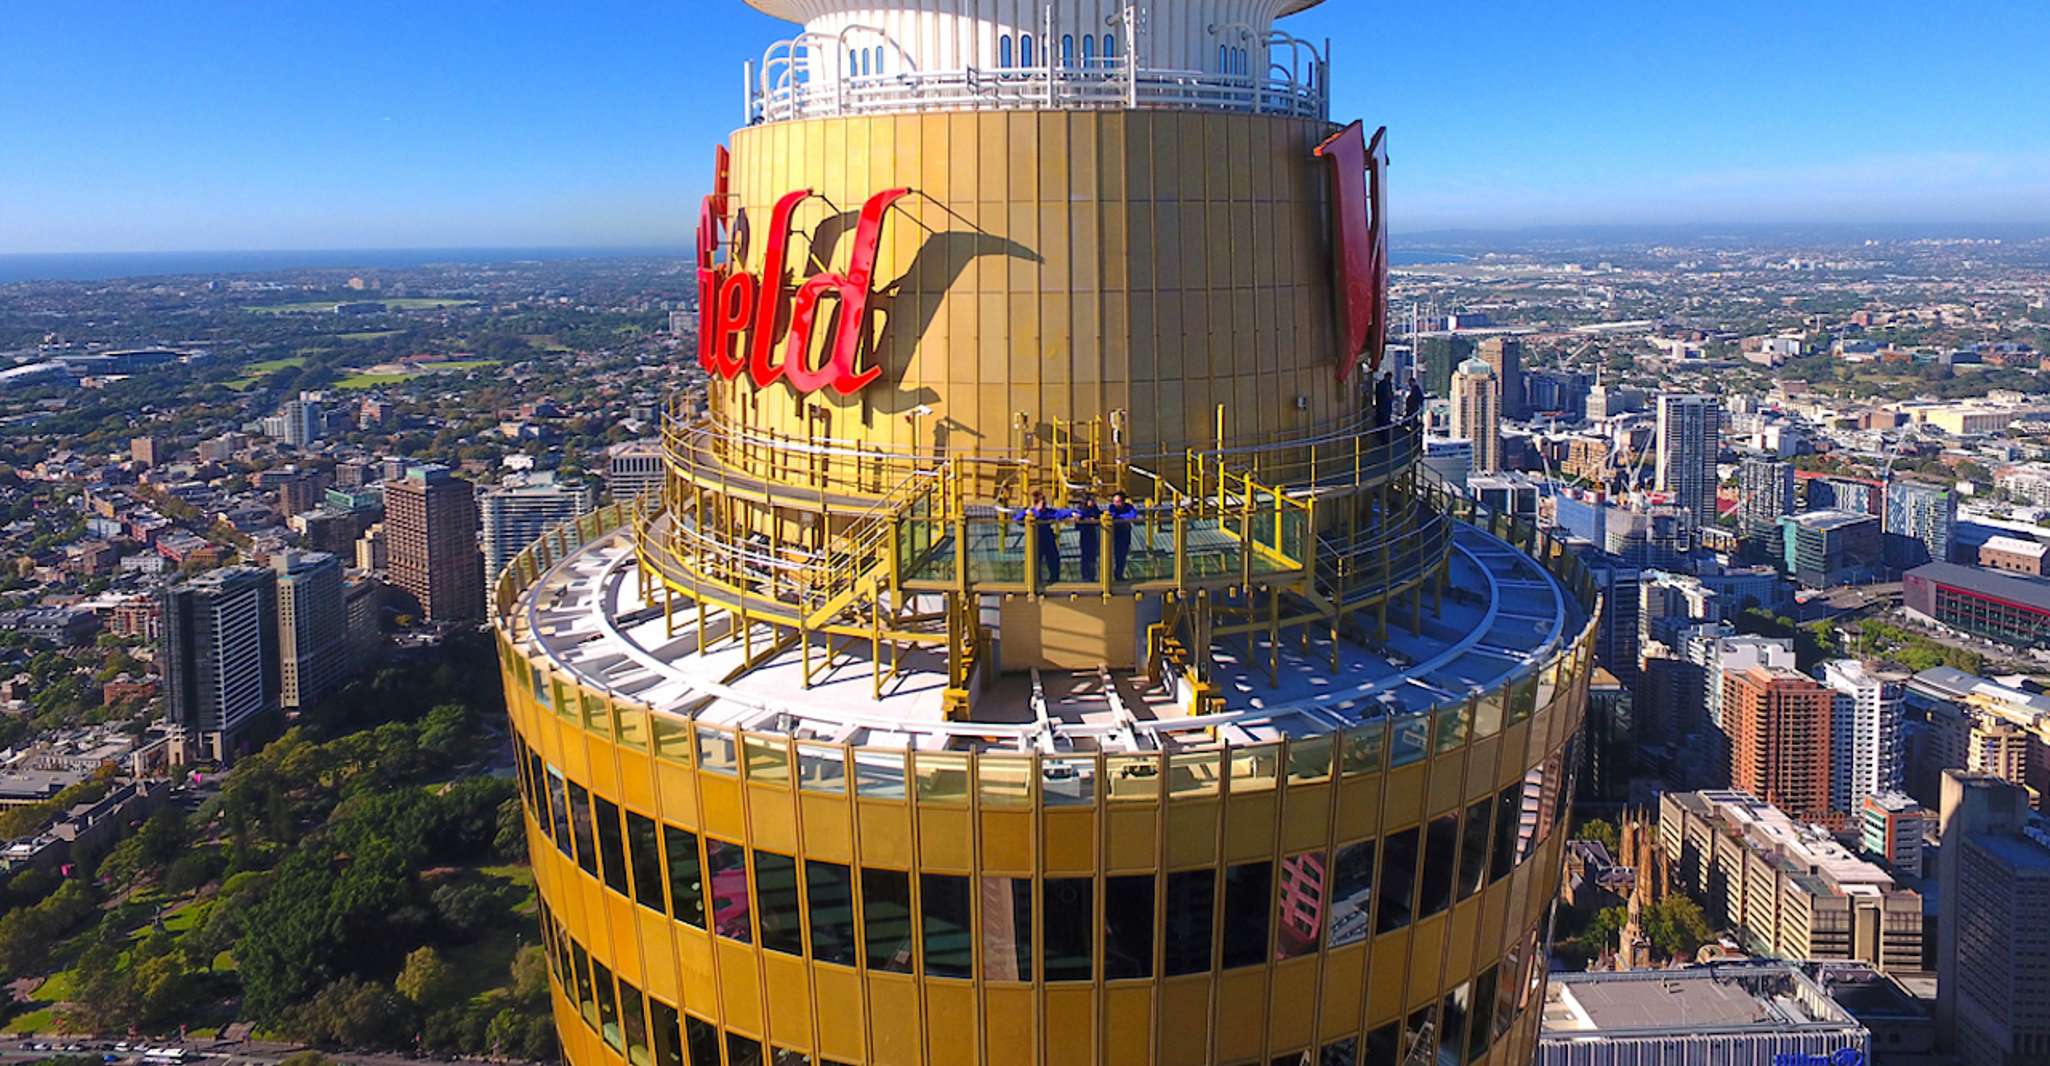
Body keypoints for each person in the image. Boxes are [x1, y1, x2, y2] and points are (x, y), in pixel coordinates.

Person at [1014, 491, 1069, 585]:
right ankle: (1036, 580)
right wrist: (1028, 512)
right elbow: (1017, 519)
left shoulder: (1047, 512)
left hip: (1047, 539)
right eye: (1042, 503)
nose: (1044, 506)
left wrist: (1073, 513)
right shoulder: (1030, 512)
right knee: (1035, 560)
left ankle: (1054, 579)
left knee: (1053, 558)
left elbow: (1059, 513)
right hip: (1035, 540)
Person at [1107, 491, 1140, 581]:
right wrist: (1124, 518)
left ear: (1123, 501)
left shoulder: (1129, 507)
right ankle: (1108, 576)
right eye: (1114, 501)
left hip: (1125, 533)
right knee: (1111, 555)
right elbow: (1113, 516)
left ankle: (1119, 575)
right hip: (1114, 533)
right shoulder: (1112, 507)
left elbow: (1132, 515)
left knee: (1122, 555)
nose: (1116, 504)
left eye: (1118, 502)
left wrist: (1121, 517)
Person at [1073, 492, 1103, 582]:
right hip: (1085, 534)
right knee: (1086, 555)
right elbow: (1078, 519)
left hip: (1093, 533)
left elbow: (1099, 515)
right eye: (1092, 500)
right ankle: (1085, 576)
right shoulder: (1081, 509)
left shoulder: (1095, 508)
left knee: (1092, 555)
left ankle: (1092, 575)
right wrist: (1087, 519)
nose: (1094, 502)